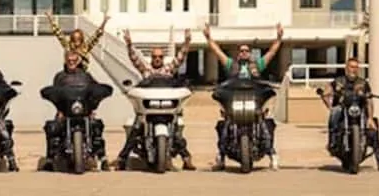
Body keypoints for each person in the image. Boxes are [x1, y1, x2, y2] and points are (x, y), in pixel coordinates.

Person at [203, 23, 285, 170]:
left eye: (246, 51)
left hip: (253, 103)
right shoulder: (232, 65)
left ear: (250, 53)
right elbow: (218, 53)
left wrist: (278, 39)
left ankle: (272, 154)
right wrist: (209, 38)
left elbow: (271, 54)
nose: (244, 53)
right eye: (241, 51)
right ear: (238, 54)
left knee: (265, 123)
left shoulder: (257, 66)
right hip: (235, 103)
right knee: (224, 123)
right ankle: (220, 157)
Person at [114, 28, 195, 171]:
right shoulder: (146, 70)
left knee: (176, 131)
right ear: (151, 58)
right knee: (136, 128)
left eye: (160, 57)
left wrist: (187, 42)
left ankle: (186, 159)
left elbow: (180, 58)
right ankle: (122, 159)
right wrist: (129, 43)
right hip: (148, 111)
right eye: (155, 57)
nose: (157, 59)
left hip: (167, 111)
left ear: (163, 59)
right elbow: (135, 59)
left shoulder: (168, 70)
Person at [40, 49, 111, 171]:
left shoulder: (86, 76)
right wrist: (59, 109)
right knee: (52, 127)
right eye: (69, 60)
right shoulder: (60, 77)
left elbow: (94, 90)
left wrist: (94, 105)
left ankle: (103, 158)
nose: (71, 62)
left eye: (74, 60)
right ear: (65, 60)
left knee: (97, 126)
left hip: (84, 111)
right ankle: (50, 160)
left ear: (78, 60)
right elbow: (56, 93)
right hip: (65, 111)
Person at [320, 57, 379, 171]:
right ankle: (332, 141)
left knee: (374, 129)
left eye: (356, 67)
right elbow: (326, 92)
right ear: (346, 68)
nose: (354, 69)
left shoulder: (363, 83)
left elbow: (369, 100)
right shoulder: (338, 81)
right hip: (343, 110)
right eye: (352, 67)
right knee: (335, 111)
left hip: (358, 111)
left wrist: (370, 118)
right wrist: (329, 104)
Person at [44, 10, 109, 67]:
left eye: (78, 39)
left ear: (81, 39)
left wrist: (104, 22)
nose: (76, 42)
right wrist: (50, 18)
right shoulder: (68, 45)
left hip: (81, 74)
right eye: (74, 39)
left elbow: (96, 35)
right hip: (69, 73)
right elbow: (58, 33)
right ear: (72, 39)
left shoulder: (85, 47)